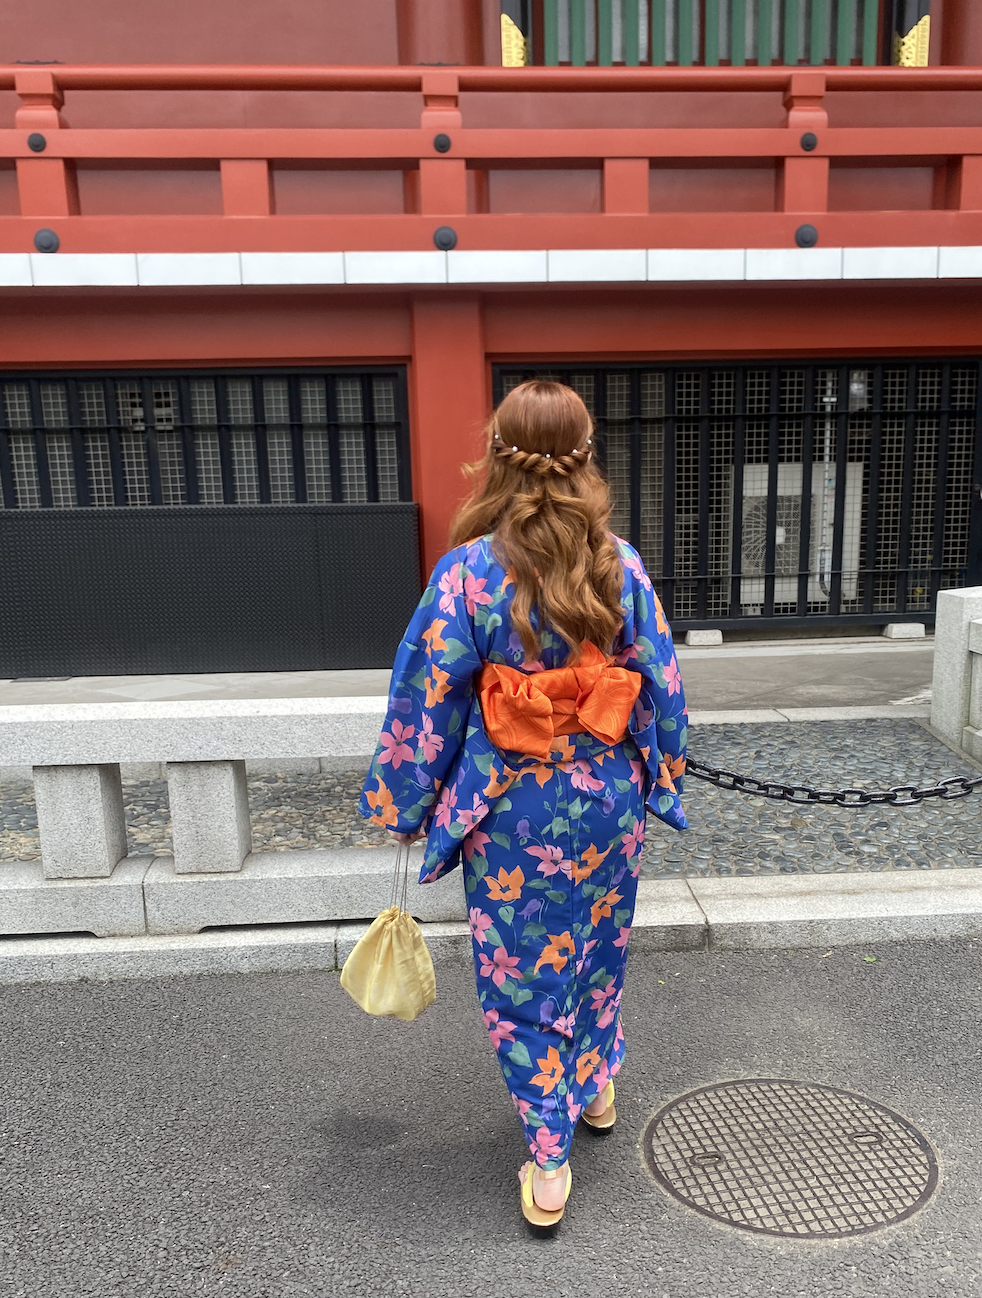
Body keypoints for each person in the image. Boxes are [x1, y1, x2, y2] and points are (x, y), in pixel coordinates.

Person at [358, 379, 688, 1230]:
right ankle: (596, 1082)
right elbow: (662, 686)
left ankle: (549, 1153)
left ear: (496, 455)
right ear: (586, 457)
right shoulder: (620, 562)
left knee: (521, 972)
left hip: (512, 810)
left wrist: (404, 799)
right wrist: (665, 768)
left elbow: (425, 694)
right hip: (607, 796)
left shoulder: (469, 574)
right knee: (598, 944)